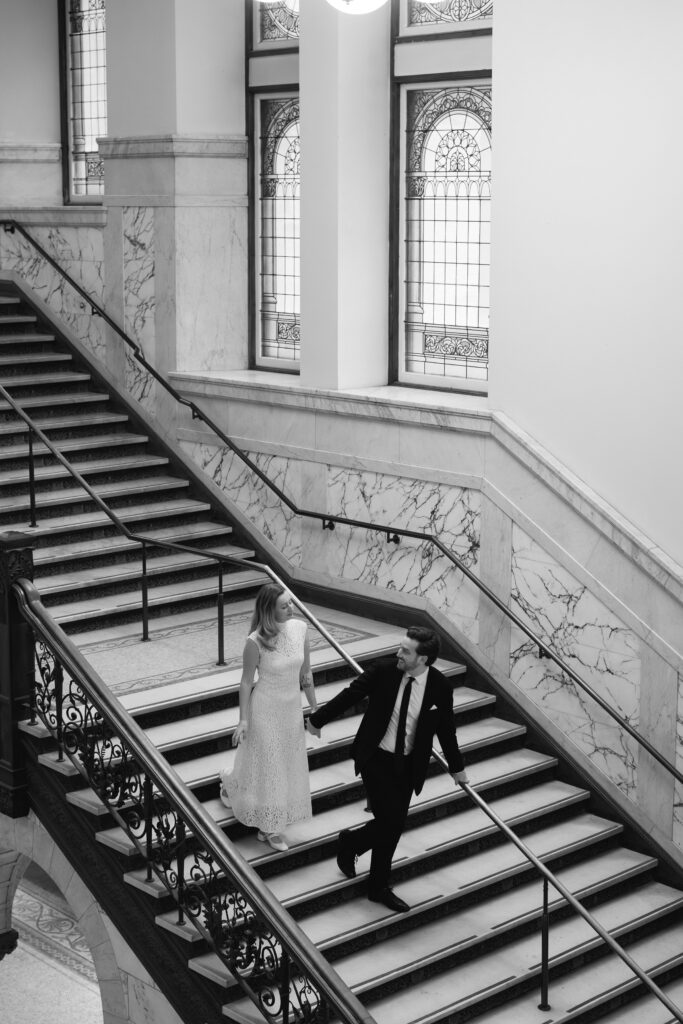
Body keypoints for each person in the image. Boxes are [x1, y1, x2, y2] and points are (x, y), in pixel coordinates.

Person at [306, 626, 468, 912]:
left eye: (406, 651)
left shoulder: (440, 687)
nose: (398, 653)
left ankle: (353, 844)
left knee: (391, 826)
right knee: (390, 823)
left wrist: (457, 767)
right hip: (375, 757)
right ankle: (377, 885)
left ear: (424, 659)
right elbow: (349, 695)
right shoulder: (384, 671)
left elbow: (446, 728)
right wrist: (317, 720)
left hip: (408, 764)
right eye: (400, 647)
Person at [220, 583, 317, 852]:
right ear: (268, 610)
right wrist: (243, 720)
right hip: (264, 709)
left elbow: (306, 673)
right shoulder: (255, 640)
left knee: (281, 763)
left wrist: (314, 707)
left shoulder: (300, 629)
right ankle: (270, 828)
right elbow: (245, 682)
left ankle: (231, 785)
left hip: (290, 711)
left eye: (290, 603)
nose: (291, 608)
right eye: (284, 605)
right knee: (271, 766)